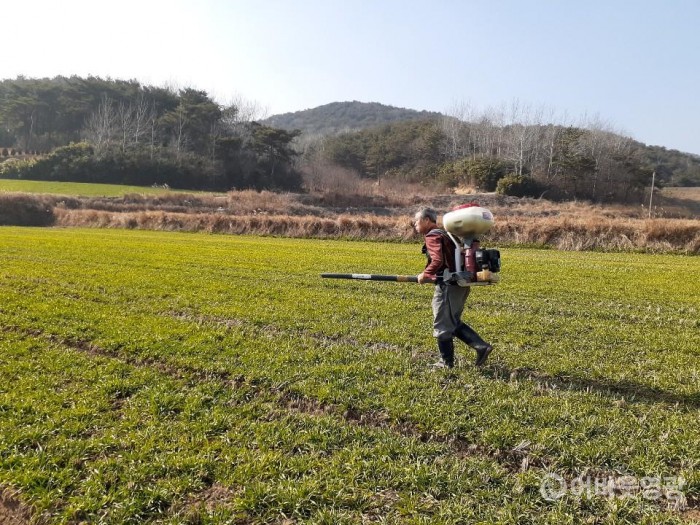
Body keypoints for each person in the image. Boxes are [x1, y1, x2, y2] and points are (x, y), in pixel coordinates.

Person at [413, 207, 493, 368]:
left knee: (442, 322)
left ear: (426, 221)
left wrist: (425, 274)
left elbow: (437, 260)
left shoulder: (432, 236)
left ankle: (446, 362)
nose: (414, 225)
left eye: (416, 221)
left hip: (448, 285)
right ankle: (480, 346)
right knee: (452, 320)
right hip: (460, 284)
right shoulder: (447, 235)